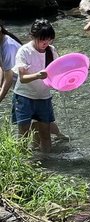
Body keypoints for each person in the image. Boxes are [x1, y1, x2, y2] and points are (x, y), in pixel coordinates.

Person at [10, 19, 61, 152]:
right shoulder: (24, 51)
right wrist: (38, 75)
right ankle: (21, 163)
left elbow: (58, 71)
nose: (46, 43)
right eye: (43, 40)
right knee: (23, 134)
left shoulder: (51, 51)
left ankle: (47, 163)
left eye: (49, 39)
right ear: (33, 36)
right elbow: (23, 78)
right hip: (24, 97)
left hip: (43, 97)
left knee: (45, 133)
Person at [0, 21, 23, 106]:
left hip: (25, 90)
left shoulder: (8, 47)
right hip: (19, 87)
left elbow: (8, 79)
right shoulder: (1, 41)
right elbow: (2, 67)